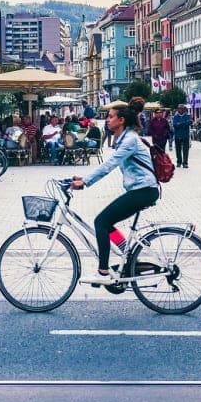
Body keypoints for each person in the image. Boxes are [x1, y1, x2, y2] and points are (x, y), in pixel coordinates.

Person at [70, 98, 160, 286]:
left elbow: (110, 164)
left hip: (144, 190)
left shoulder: (129, 140)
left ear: (121, 120)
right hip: (141, 189)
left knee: (101, 222)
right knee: (106, 222)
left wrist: (85, 181)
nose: (107, 120)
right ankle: (127, 254)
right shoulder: (124, 138)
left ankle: (103, 272)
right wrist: (83, 178)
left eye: (110, 117)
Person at [171, 104, 193, 169]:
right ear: (177, 109)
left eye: (182, 108)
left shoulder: (187, 116)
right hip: (177, 136)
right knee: (178, 149)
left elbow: (189, 122)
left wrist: (180, 123)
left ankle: (185, 163)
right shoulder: (175, 117)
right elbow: (175, 125)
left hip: (185, 136)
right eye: (179, 108)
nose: (180, 110)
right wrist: (184, 123)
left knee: (185, 150)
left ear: (184, 109)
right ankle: (179, 162)